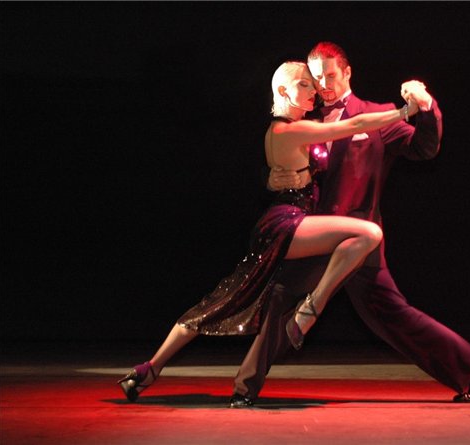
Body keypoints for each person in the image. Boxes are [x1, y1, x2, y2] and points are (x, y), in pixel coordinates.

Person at [117, 60, 420, 402]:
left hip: (285, 221)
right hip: (287, 222)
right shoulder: (289, 130)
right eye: (304, 84)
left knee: (223, 301)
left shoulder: (287, 129)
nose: (313, 90)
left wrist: (276, 179)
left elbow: (289, 172)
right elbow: (357, 124)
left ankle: (148, 370)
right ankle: (310, 309)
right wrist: (403, 112)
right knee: (368, 234)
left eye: (312, 84)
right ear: (282, 90)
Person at [229, 42, 470, 408]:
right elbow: (286, 170)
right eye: (317, 78)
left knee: (392, 316)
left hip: (358, 240)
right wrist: (273, 180)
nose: (324, 84)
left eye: (331, 75)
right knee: (282, 299)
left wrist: (425, 106)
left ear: (347, 73)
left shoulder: (376, 116)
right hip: (315, 234)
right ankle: (244, 389)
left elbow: (424, 148)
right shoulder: (306, 120)